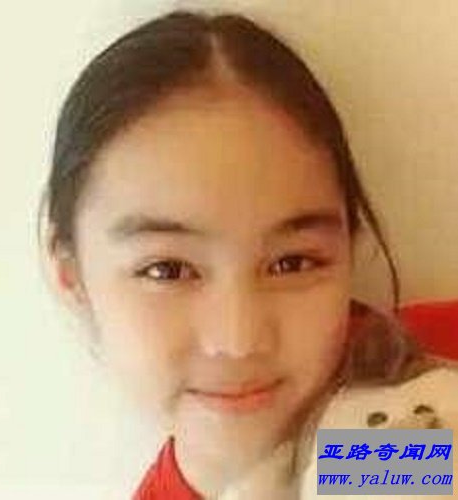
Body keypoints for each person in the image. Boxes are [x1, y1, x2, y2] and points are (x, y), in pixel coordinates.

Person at [39, 8, 456, 499]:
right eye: (167, 270)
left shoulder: (437, 363)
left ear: (350, 245)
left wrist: (389, 467)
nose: (237, 340)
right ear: (72, 276)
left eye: (292, 263)